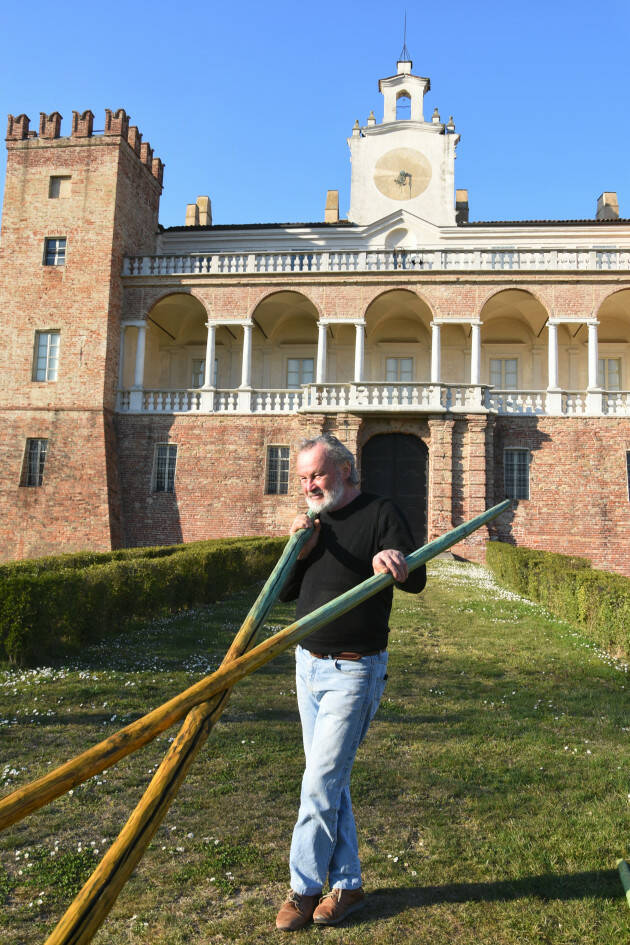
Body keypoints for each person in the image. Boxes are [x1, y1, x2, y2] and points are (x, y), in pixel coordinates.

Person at [275, 434, 427, 931]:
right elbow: (285, 594)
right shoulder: (314, 523)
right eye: (302, 478)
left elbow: (416, 576)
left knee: (319, 783)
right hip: (307, 665)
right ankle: (349, 884)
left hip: (354, 669)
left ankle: (303, 890)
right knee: (328, 782)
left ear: (344, 469)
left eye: (316, 475)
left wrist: (393, 562)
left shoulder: (383, 511)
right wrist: (300, 548)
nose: (309, 486)